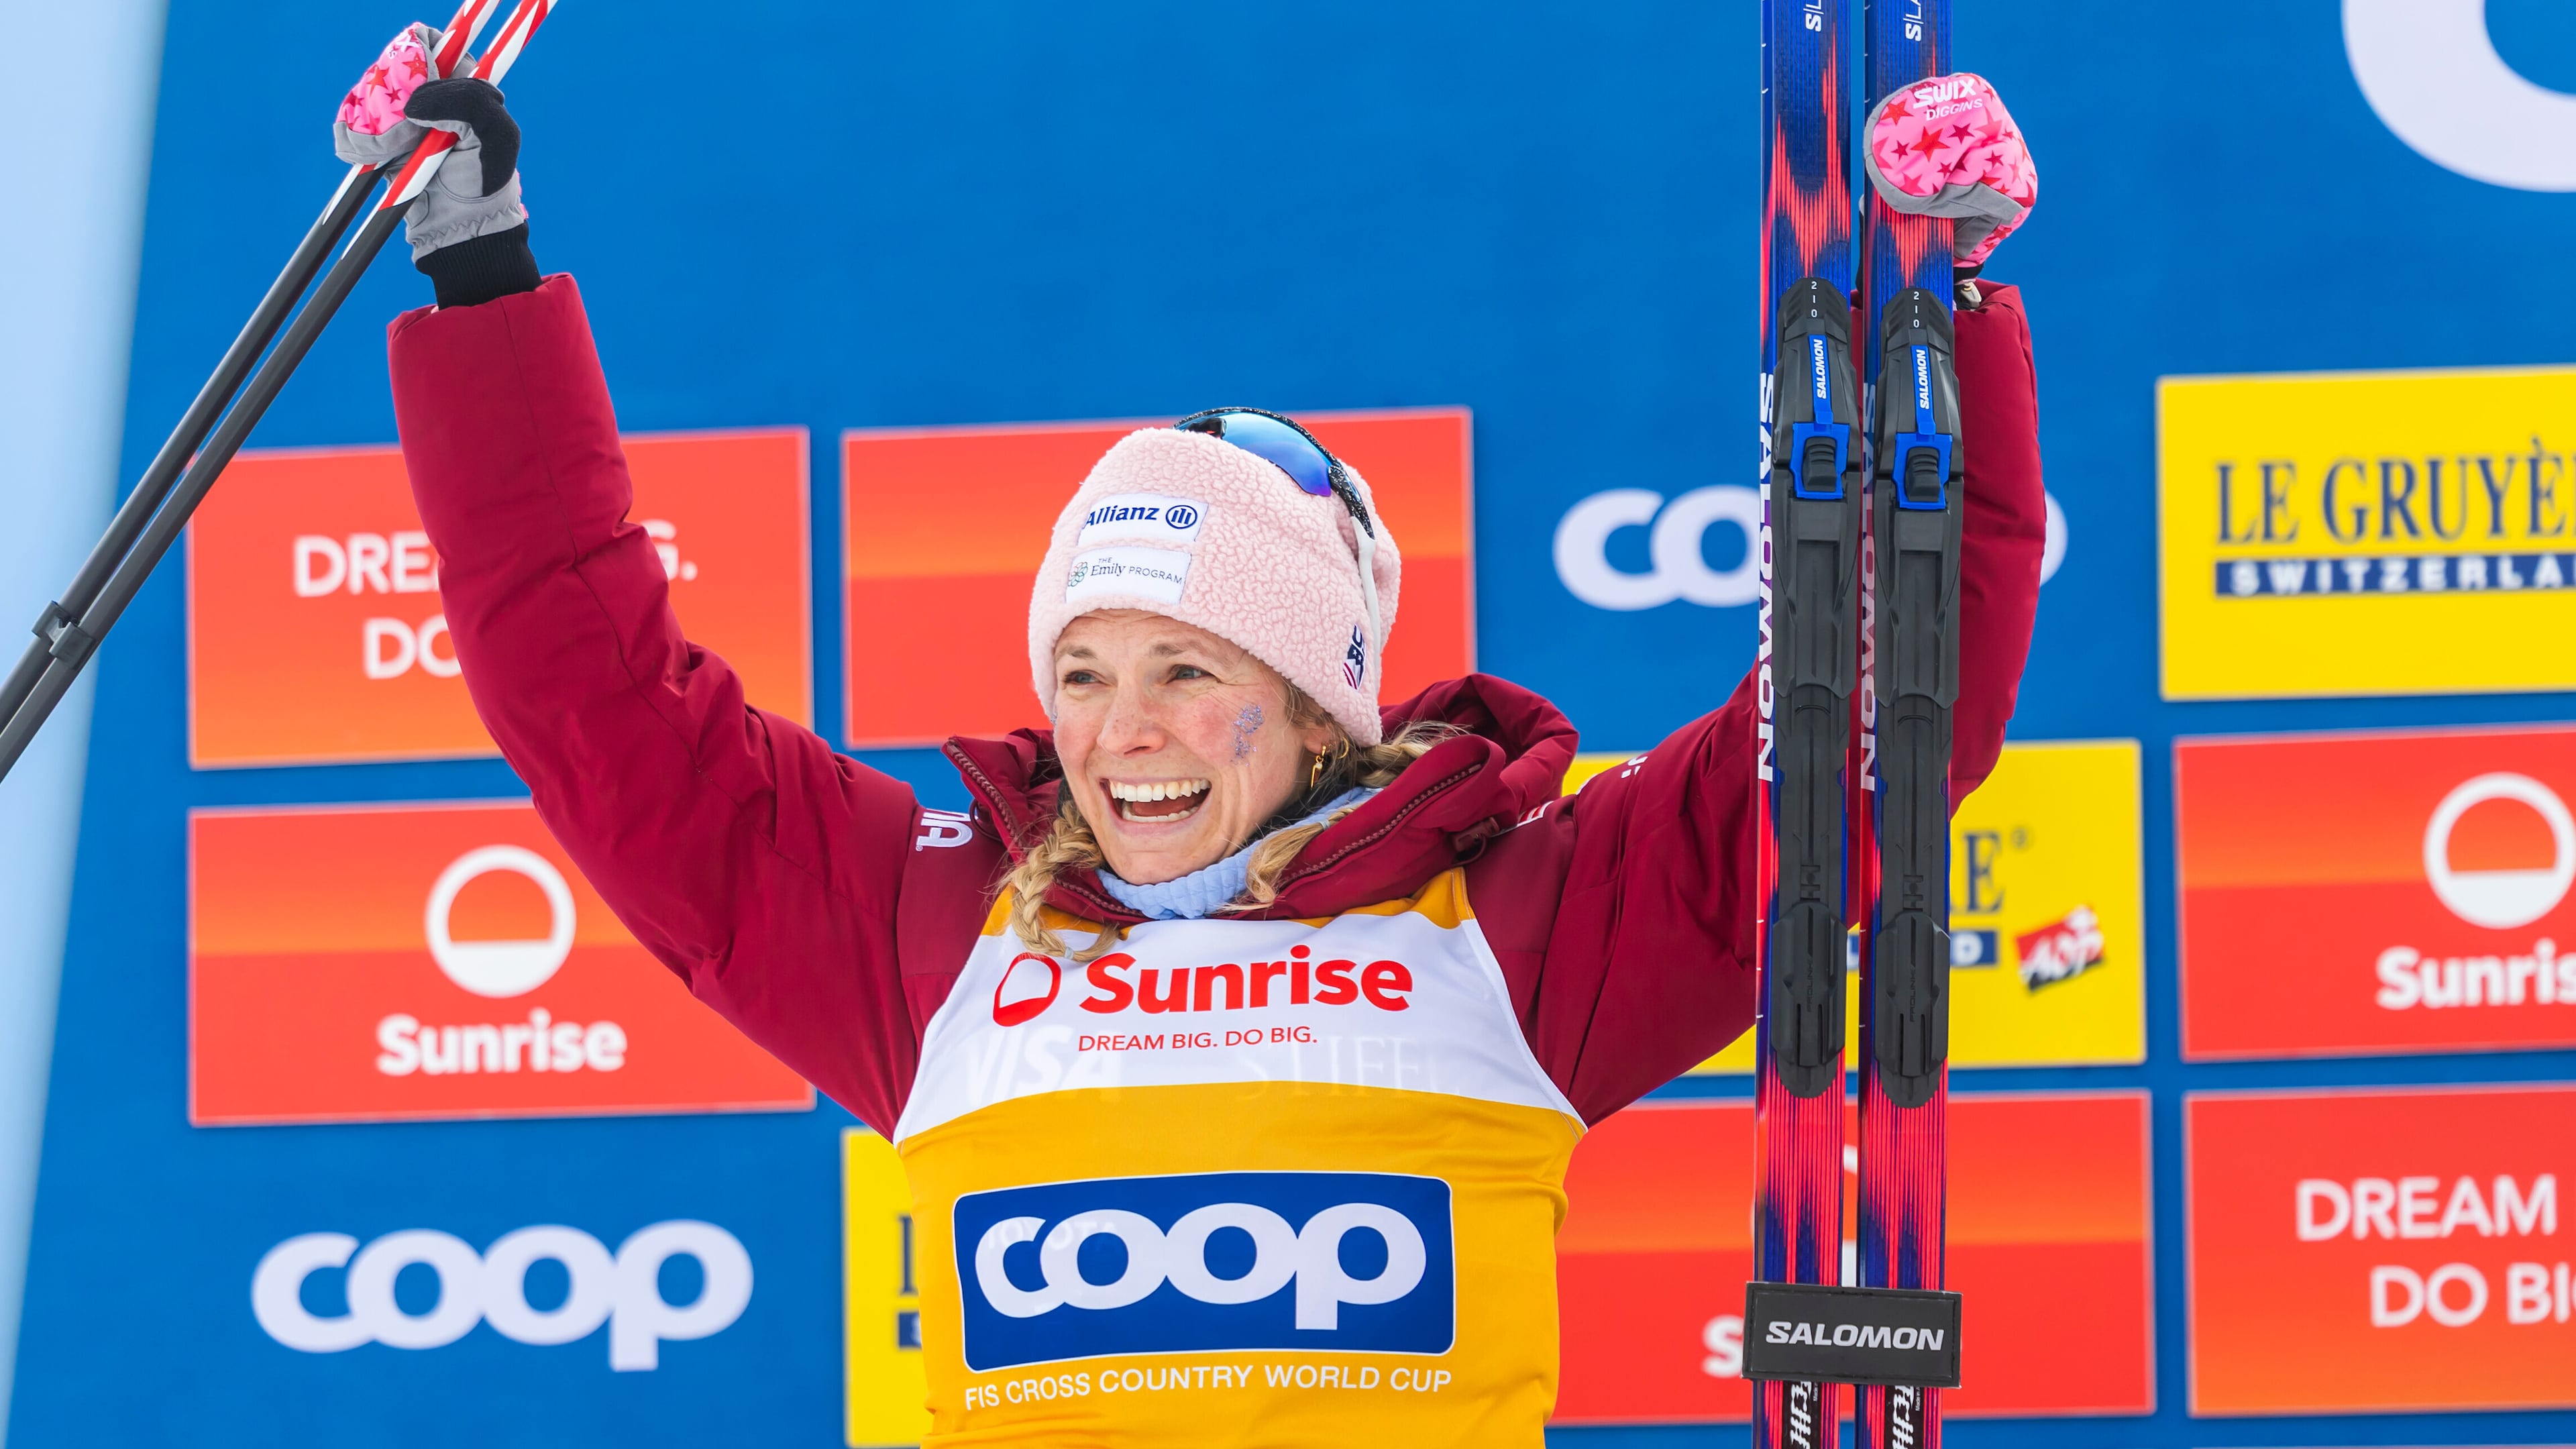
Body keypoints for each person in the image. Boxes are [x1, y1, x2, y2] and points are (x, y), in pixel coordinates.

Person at [347, 30, 2045, 1448]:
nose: (1122, 732)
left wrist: (1941, 304)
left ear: (1321, 704)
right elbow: (594, 694)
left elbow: (1873, 737)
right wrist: (479, 270)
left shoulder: (1518, 922)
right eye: (1081, 671)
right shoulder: (936, 930)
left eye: (1187, 666)